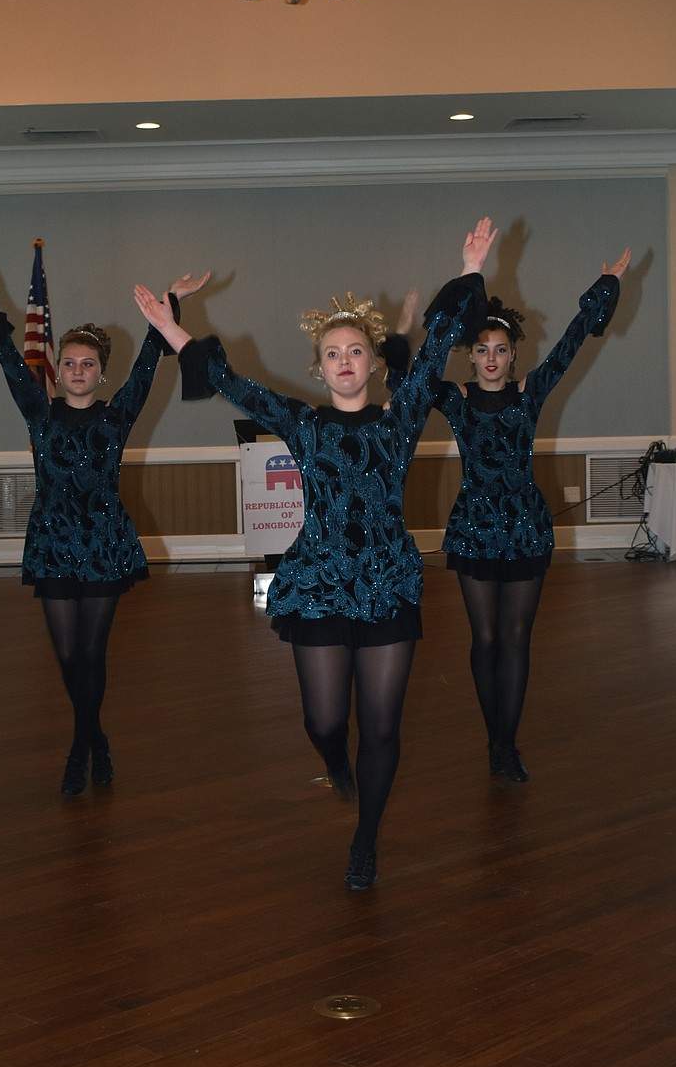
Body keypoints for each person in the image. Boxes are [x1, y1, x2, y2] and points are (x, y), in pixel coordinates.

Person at [132, 219, 496, 891]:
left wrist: (470, 267)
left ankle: (366, 841)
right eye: (334, 353)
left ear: (372, 361)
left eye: (357, 349)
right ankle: (335, 761)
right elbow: (232, 384)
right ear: (320, 367)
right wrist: (173, 330)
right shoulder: (303, 421)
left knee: (382, 726)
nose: (347, 359)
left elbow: (443, 339)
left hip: (387, 581)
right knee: (324, 720)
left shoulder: (402, 414)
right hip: (320, 581)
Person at [0, 260, 209, 796]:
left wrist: (171, 302)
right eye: (70, 363)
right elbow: (7, 358)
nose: (79, 370)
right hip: (52, 544)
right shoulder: (39, 414)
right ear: (58, 370)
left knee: (92, 652)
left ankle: (79, 748)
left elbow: (150, 360)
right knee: (68, 655)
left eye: (89, 364)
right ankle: (96, 739)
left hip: (105, 543)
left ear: (100, 373)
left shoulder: (118, 415)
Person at [429, 247, 632, 783]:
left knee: (516, 638)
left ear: (513, 353)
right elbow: (416, 370)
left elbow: (570, 345)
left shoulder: (530, 393)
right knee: (486, 640)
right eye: (482, 349)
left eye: (500, 349)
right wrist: (460, 283)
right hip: (473, 528)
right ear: (470, 356)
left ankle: (504, 745)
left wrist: (604, 286)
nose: (491, 357)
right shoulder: (455, 399)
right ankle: (492, 732)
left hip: (524, 528)